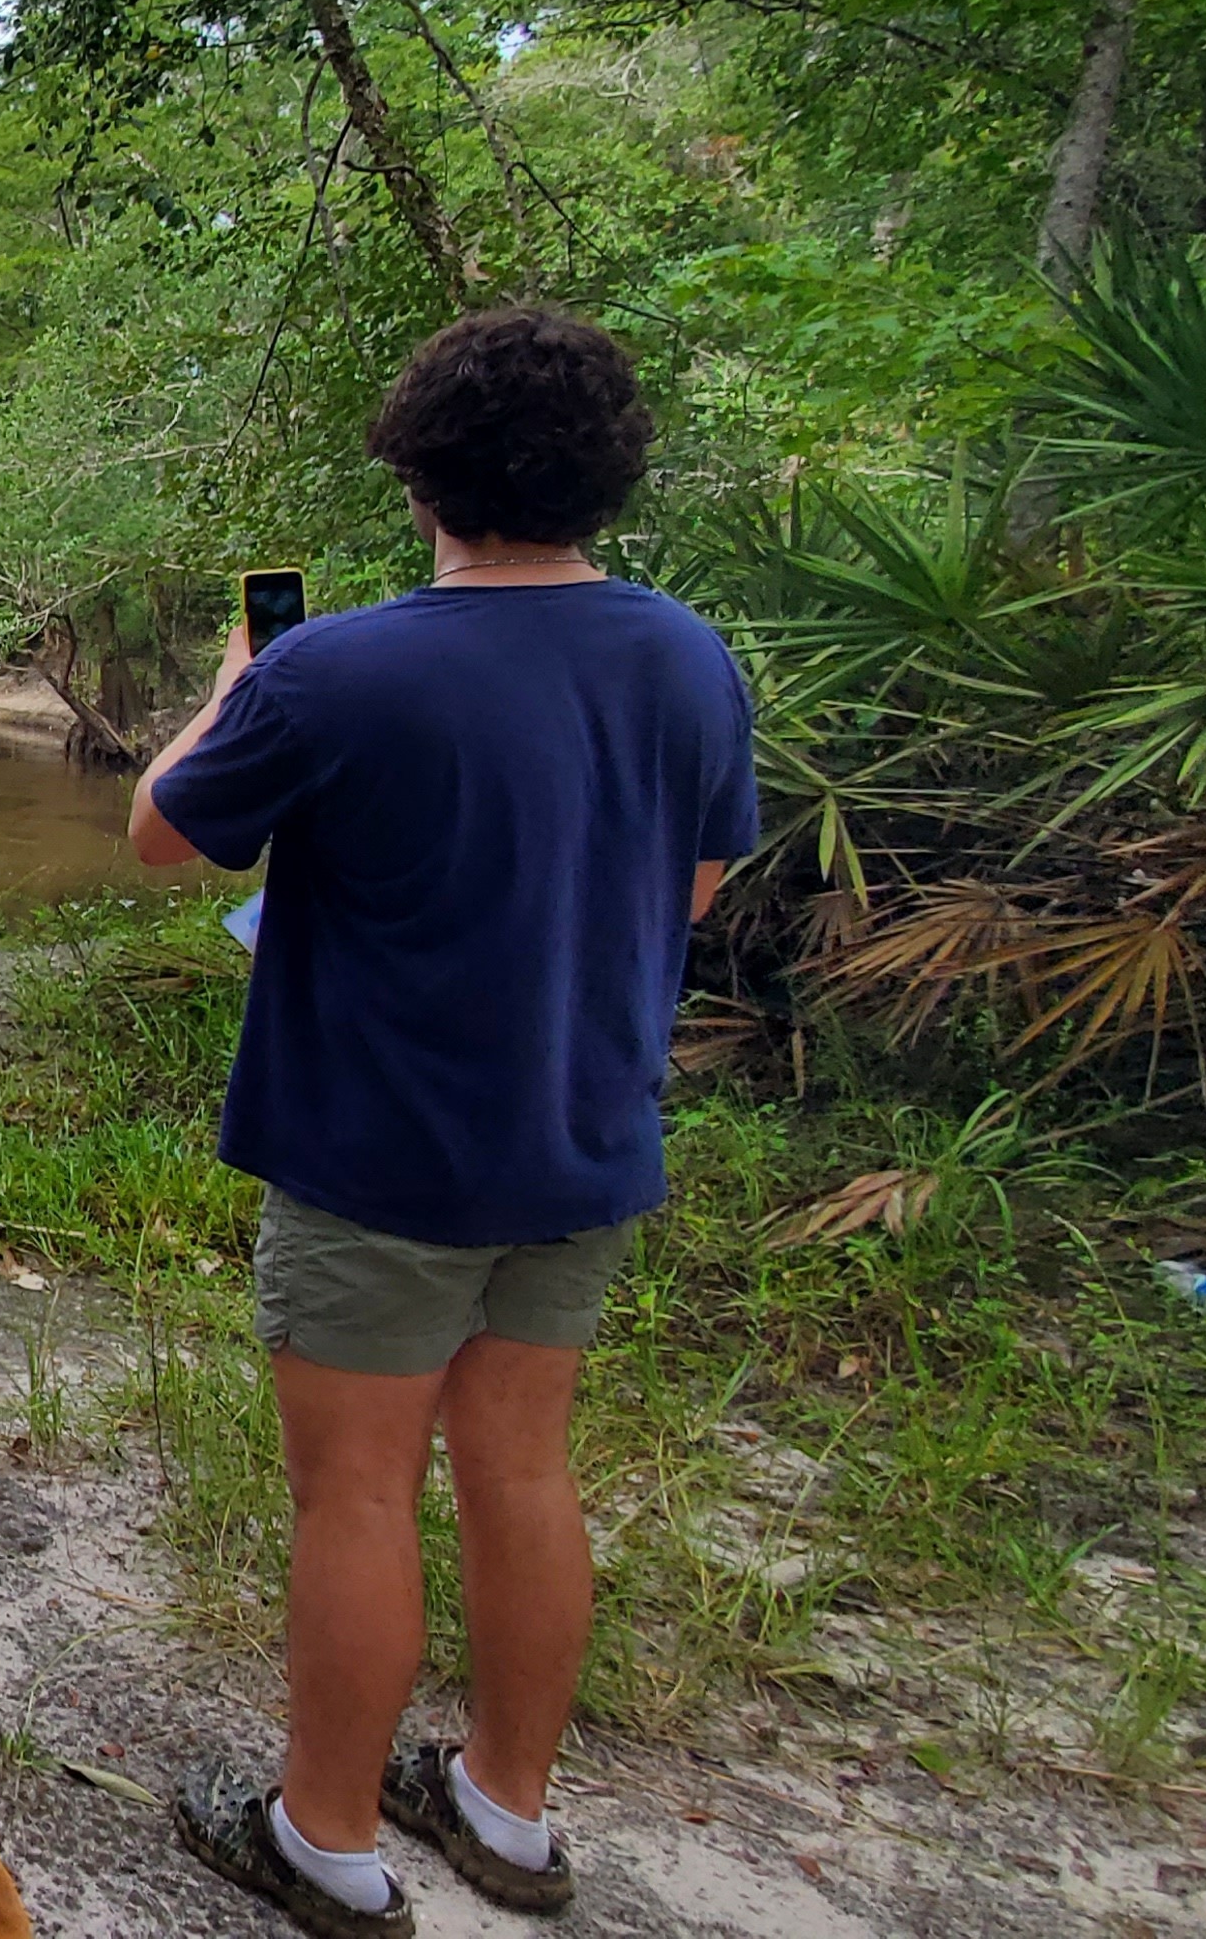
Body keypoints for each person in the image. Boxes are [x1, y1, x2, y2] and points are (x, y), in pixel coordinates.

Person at [131, 305, 757, 1937]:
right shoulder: (689, 655)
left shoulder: (342, 667)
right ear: (607, 477)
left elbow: (162, 838)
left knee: (355, 1494)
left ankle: (326, 1842)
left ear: (421, 476)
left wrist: (232, 688)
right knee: (524, 1470)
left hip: (381, 1151)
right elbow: (686, 887)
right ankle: (506, 1812)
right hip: (582, 1137)